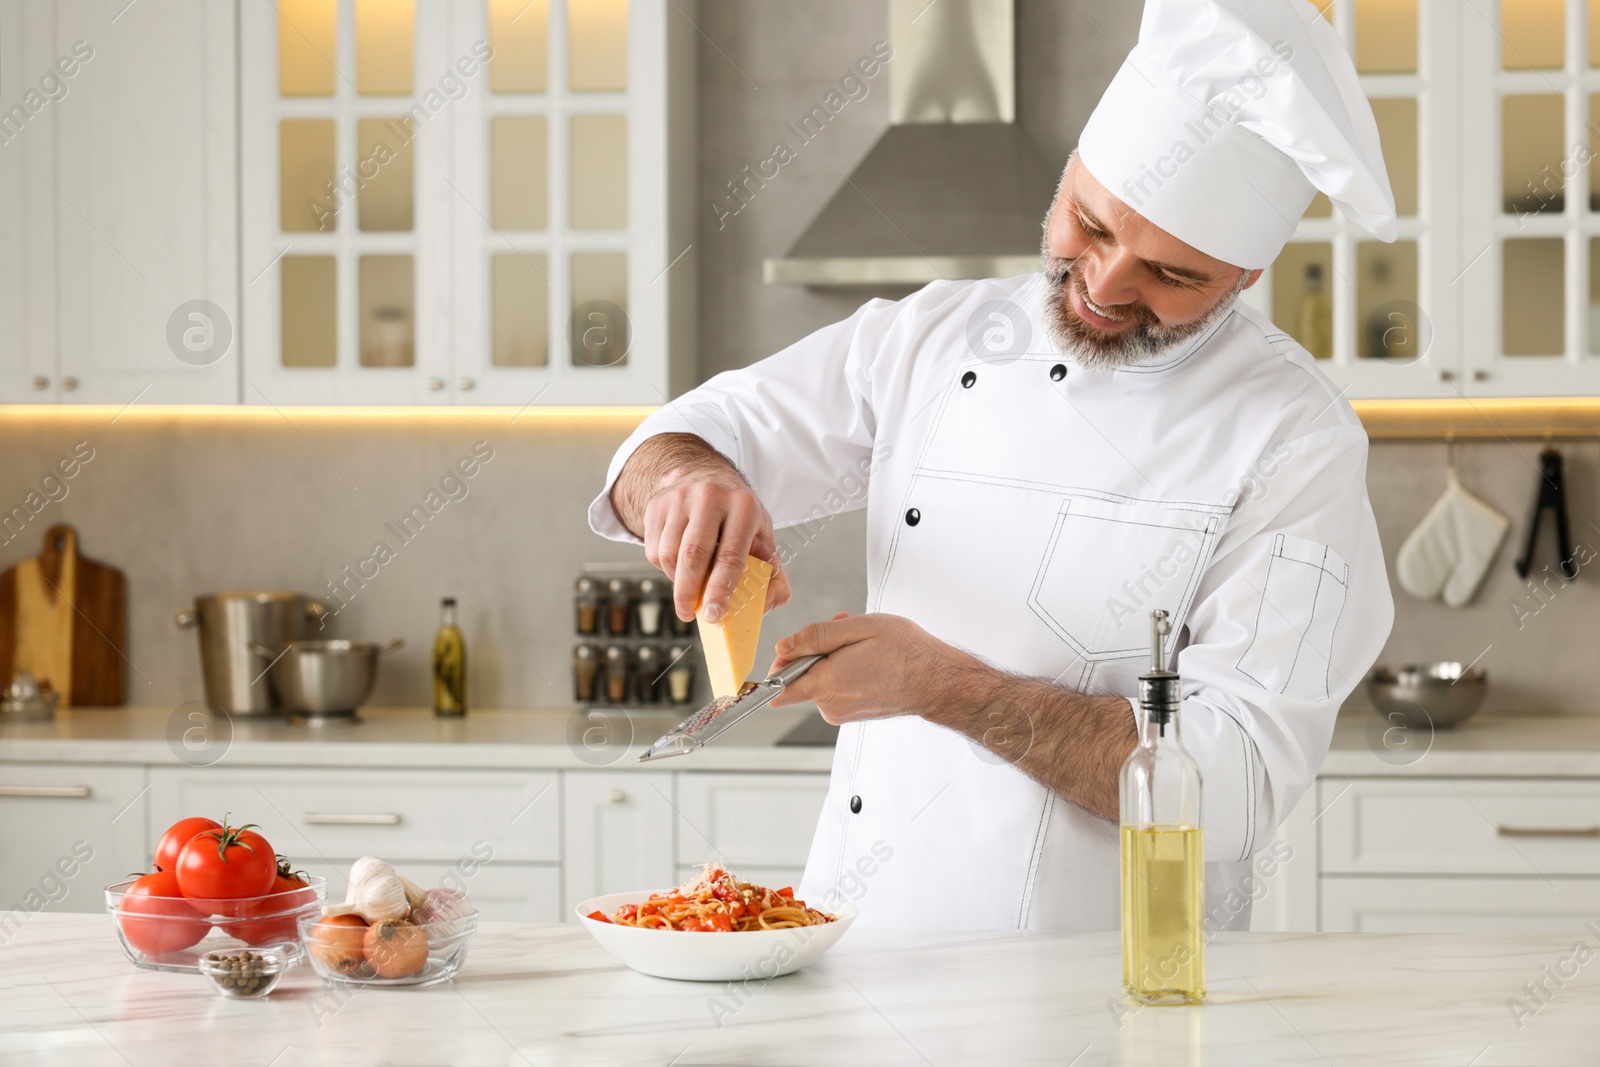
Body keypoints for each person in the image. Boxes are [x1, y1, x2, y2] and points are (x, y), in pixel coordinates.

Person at [589, 0, 1396, 930]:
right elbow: (675, 441)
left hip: (1099, 1002)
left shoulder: (1294, 440)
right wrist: (691, 482)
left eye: (1171, 276)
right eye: (1088, 226)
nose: (1103, 285)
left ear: (1247, 276)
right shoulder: (934, 336)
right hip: (852, 963)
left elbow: (1230, 791)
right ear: (1066, 180)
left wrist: (942, 687)